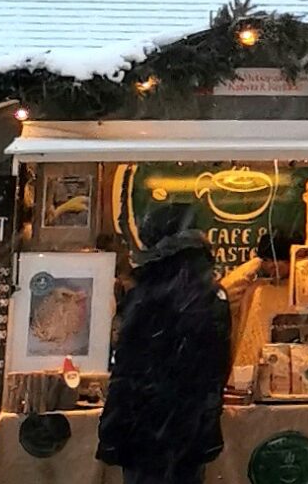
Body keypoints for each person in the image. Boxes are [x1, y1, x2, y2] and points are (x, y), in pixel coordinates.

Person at [97, 205, 233, 484]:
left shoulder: (144, 295)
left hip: (144, 430)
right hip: (189, 430)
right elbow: (217, 370)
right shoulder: (211, 297)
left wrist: (112, 430)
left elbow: (125, 371)